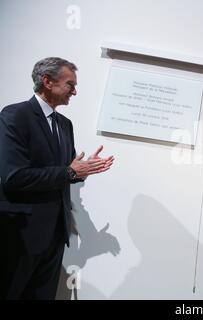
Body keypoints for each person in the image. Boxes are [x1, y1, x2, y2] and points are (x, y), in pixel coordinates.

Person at [0, 57, 114, 299]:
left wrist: (83, 168)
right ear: (47, 81)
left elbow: (65, 171)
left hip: (54, 236)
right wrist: (70, 172)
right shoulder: (15, 115)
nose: (75, 91)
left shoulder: (65, 124)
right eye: (70, 84)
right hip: (20, 234)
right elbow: (14, 177)